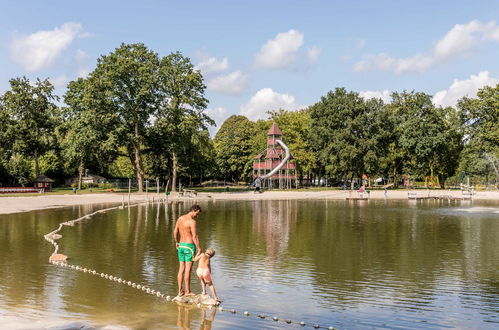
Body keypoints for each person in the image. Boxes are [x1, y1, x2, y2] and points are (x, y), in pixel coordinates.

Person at [174, 204, 202, 297]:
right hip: (189, 247)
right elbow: (194, 236)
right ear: (194, 210)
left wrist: (176, 242)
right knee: (188, 270)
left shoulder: (180, 218)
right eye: (197, 214)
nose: (197, 216)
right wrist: (198, 248)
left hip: (181, 246)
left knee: (181, 269)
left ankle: (179, 291)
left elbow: (175, 231)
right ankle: (187, 291)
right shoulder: (192, 222)